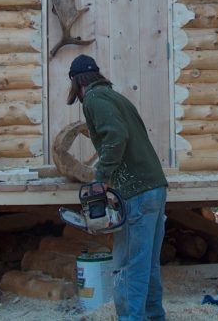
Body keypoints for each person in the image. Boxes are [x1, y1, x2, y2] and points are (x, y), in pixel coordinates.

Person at [67, 54, 168, 321]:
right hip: (154, 186)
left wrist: (101, 177)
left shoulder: (94, 99)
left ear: (77, 84)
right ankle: (153, 316)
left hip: (138, 192)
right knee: (147, 264)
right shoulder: (116, 98)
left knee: (127, 266)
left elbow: (116, 135)